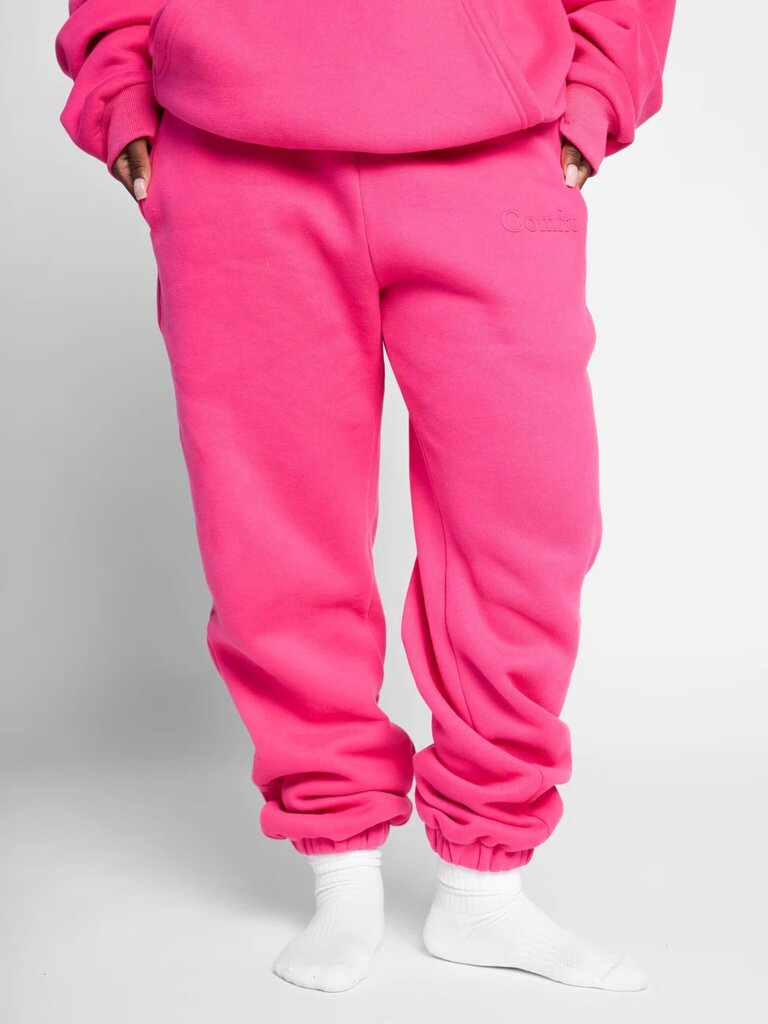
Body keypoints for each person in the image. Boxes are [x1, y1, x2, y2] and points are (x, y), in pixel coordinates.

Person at [55, 0, 676, 995]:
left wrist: (600, 89)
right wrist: (120, 82)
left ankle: (486, 883)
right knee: (273, 533)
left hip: (489, 150)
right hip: (236, 157)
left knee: (526, 522)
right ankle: (340, 864)